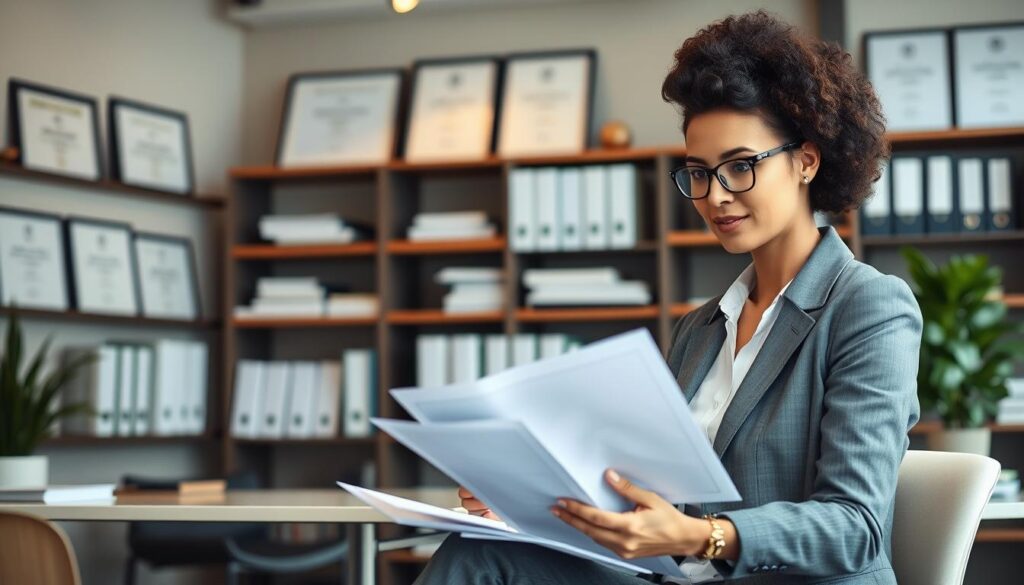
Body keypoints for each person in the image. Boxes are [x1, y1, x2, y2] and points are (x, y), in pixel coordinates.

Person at [414, 9, 922, 584]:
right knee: (477, 552)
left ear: (806, 160)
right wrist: (532, 495)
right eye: (699, 173)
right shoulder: (703, 326)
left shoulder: (870, 306)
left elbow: (857, 526)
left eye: (739, 167)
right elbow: (662, 500)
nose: (715, 196)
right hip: (678, 578)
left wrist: (702, 538)